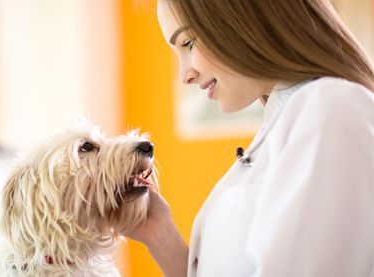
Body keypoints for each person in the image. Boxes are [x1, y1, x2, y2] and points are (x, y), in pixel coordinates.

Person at [127, 1, 374, 276]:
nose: (185, 75)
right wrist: (159, 234)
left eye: (188, 44)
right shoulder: (282, 127)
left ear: (244, 17)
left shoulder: (330, 109)